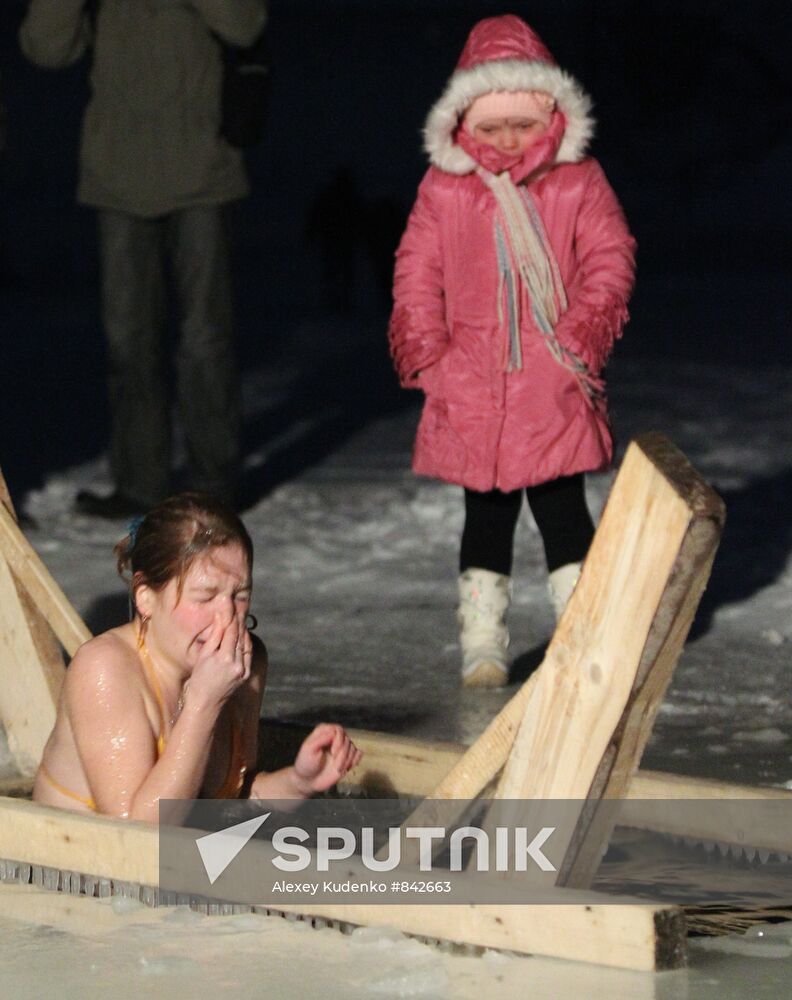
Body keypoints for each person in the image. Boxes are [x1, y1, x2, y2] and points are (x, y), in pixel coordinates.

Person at [388, 15, 636, 688]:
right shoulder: (446, 188)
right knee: (486, 517)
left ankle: (583, 636)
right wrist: (429, 353)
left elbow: (609, 258)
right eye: (491, 128)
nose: (506, 141)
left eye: (522, 126)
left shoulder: (575, 179)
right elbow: (416, 271)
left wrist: (583, 333)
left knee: (562, 511)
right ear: (465, 121)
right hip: (471, 384)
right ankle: (482, 644)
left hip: (551, 380)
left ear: (551, 116)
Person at [19, 1, 268, 518]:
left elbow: (246, 23)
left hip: (203, 169)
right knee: (128, 340)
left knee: (205, 338)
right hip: (116, 176)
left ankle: (215, 485)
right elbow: (44, 48)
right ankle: (140, 483)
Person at [33, 493, 361, 819]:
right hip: (70, 866)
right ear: (145, 598)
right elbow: (135, 834)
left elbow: (232, 801)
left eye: (240, 595)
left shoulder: (246, 663)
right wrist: (204, 704)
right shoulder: (104, 671)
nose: (227, 617)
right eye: (205, 598)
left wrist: (299, 783)